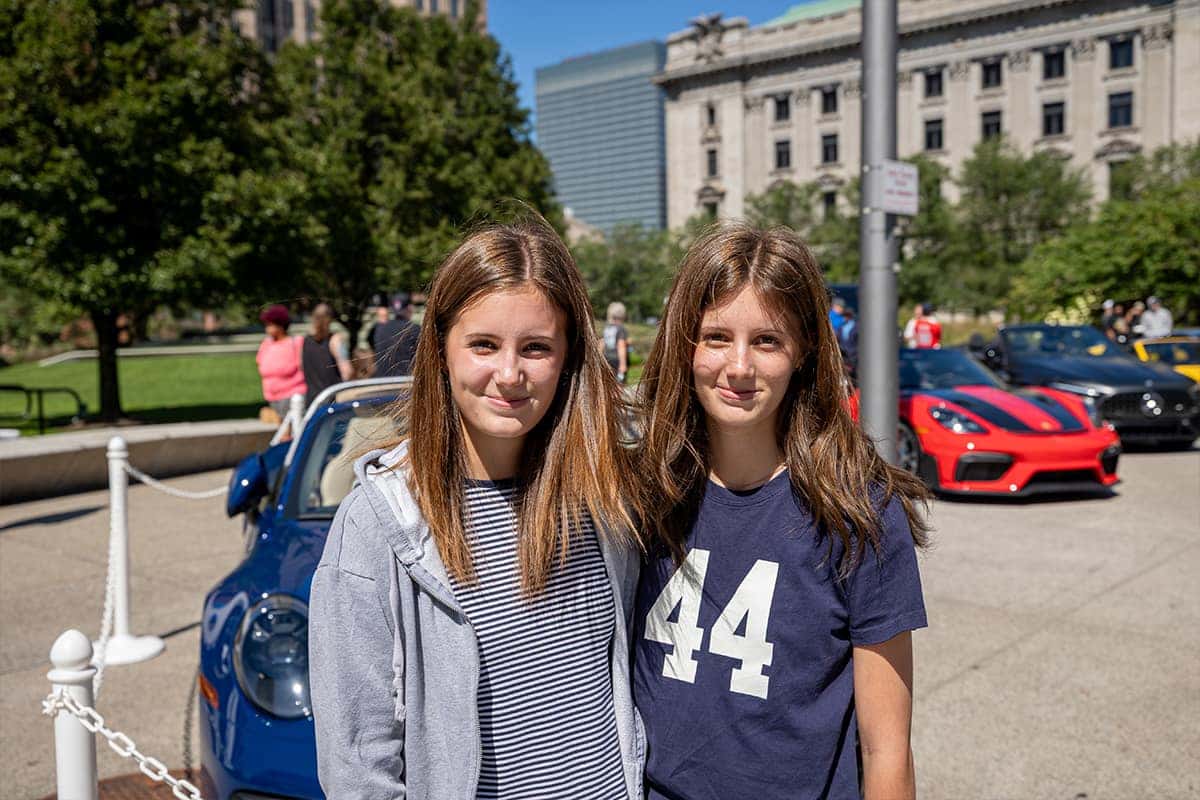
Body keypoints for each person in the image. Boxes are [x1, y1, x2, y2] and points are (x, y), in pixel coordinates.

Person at [308, 217, 647, 799]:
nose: (509, 374)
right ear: (441, 350)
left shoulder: (607, 494)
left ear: (567, 358)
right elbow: (358, 764)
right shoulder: (378, 523)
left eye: (536, 348)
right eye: (483, 345)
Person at [633, 224, 930, 800]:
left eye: (767, 341)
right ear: (683, 346)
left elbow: (887, 750)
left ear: (804, 352)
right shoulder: (644, 492)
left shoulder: (859, 511)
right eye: (716, 336)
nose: (738, 366)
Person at [255, 304, 306, 420]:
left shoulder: (296, 342)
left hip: (293, 395)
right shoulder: (266, 343)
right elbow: (260, 362)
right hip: (272, 396)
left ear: (281, 325)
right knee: (282, 430)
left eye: (270, 325)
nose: (267, 328)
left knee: (293, 429)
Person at [302, 303, 354, 405]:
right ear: (330, 319)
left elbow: (301, 368)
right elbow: (347, 372)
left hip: (312, 401)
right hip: (333, 401)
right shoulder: (335, 340)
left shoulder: (305, 341)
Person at [372, 291, 421, 376]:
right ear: (410, 308)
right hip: (403, 384)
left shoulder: (379, 328)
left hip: (380, 383)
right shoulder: (415, 329)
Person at [603, 301, 630, 384]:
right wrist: (623, 364)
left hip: (607, 358)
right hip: (617, 360)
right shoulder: (621, 328)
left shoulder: (607, 328)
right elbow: (621, 346)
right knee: (619, 386)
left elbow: (603, 343)